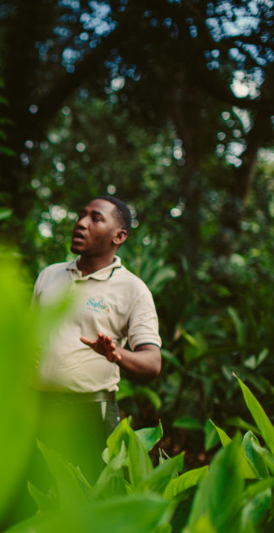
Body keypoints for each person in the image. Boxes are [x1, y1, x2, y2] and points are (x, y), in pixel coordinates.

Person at [32, 195, 161, 481]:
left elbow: (152, 363)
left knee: (87, 508)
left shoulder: (133, 290)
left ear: (119, 236)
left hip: (91, 414)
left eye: (95, 218)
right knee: (17, 506)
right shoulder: (48, 276)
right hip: (37, 407)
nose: (81, 223)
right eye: (81, 215)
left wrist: (117, 354)